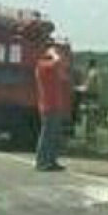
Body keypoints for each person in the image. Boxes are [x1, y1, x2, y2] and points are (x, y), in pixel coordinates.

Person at [35, 44, 71, 172]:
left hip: (55, 105)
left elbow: (63, 73)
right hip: (48, 106)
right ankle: (42, 162)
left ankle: (51, 161)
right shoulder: (42, 65)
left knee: (54, 135)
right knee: (47, 135)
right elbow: (57, 63)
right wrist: (54, 53)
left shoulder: (51, 68)